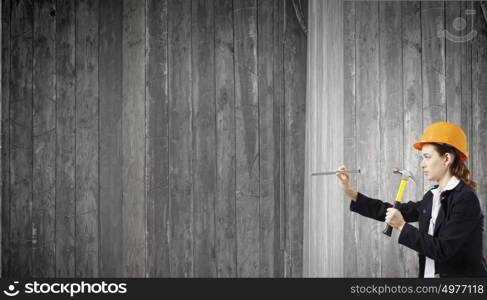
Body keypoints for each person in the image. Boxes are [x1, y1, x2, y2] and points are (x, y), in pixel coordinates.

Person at [337, 121, 487, 277]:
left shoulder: (465, 198)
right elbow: (390, 211)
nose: (422, 164)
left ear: (446, 159)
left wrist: (402, 226)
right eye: (422, 158)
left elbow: (443, 250)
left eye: (427, 157)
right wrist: (349, 191)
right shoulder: (432, 197)